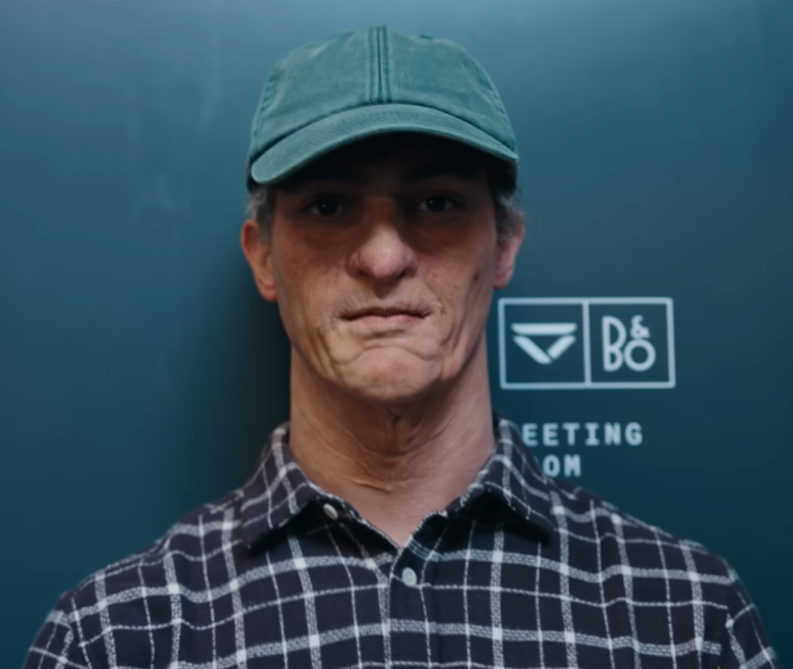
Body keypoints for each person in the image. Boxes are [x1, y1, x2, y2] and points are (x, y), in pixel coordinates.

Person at [24, 25, 777, 669]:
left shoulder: (686, 618)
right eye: (328, 206)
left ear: (504, 244)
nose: (384, 258)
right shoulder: (117, 637)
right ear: (263, 257)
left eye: (436, 203)